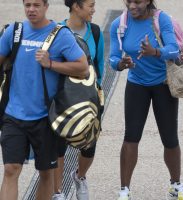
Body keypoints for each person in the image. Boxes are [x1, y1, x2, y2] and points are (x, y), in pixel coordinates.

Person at [0, 0, 89, 199]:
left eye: (36, 5)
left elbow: (83, 68)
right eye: (28, 5)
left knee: (46, 174)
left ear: (46, 6)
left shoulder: (61, 35)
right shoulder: (14, 32)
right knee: (10, 169)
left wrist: (51, 64)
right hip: (13, 115)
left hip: (46, 118)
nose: (31, 9)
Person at [109, 1, 183, 200]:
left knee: (170, 138)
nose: (132, 6)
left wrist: (155, 52)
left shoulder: (161, 19)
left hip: (163, 83)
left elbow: (173, 49)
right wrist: (121, 63)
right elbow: (112, 59)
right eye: (128, 1)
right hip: (136, 85)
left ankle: (175, 184)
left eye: (137, 1)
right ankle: (124, 190)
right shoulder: (119, 24)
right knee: (131, 137)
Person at [51, 0, 105, 200]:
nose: (93, 9)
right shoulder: (57, 30)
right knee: (58, 147)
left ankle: (80, 176)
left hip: (89, 98)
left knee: (89, 147)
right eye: (90, 5)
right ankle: (58, 192)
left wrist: (98, 91)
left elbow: (99, 64)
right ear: (76, 6)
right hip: (63, 99)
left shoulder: (96, 31)